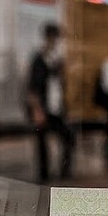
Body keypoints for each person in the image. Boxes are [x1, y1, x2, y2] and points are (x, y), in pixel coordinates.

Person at [27, 23, 74, 183]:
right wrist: (37, 110)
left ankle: (63, 172)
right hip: (43, 108)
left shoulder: (55, 59)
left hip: (55, 108)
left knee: (68, 137)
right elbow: (33, 87)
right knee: (42, 142)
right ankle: (43, 175)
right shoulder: (39, 60)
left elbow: (60, 85)